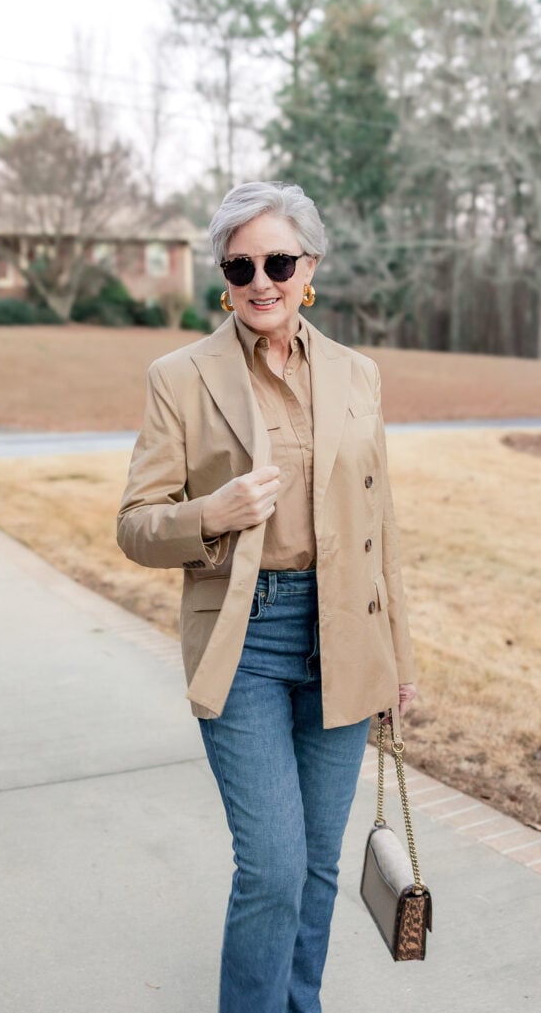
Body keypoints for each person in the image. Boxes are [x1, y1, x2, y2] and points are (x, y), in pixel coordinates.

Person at [117, 181, 417, 1013]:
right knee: (274, 864)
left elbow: (381, 527)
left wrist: (401, 659)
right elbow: (135, 525)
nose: (261, 279)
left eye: (278, 261)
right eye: (241, 263)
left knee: (319, 861)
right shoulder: (179, 377)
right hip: (245, 638)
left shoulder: (359, 375)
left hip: (345, 638)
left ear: (309, 265)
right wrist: (210, 513)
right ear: (223, 272)